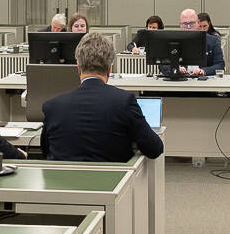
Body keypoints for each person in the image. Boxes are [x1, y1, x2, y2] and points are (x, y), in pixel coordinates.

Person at [40, 33, 164, 162]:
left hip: (61, 180)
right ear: (110, 69)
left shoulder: (52, 106)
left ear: (78, 68)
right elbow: (154, 149)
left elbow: (46, 150)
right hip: (114, 180)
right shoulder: (124, 101)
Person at [179, 9, 225, 75]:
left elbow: (220, 65)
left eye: (192, 23)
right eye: (185, 24)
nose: (188, 27)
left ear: (198, 23)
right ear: (180, 24)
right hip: (181, 81)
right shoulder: (173, 41)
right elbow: (163, 65)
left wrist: (203, 71)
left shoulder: (213, 41)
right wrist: (176, 68)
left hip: (204, 82)